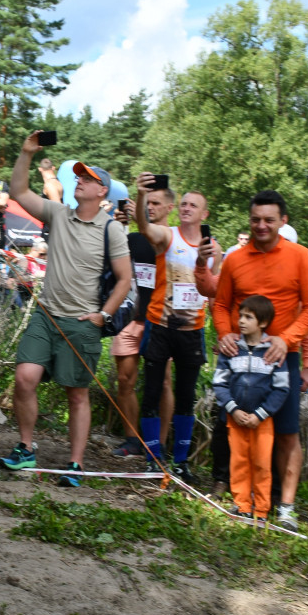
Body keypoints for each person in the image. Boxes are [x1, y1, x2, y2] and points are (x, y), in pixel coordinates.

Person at [0, 133, 131, 487]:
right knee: (25, 377)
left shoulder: (112, 230)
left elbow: (123, 280)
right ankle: (26, 449)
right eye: (78, 177)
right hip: (45, 315)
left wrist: (103, 315)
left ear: (102, 190)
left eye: (87, 179)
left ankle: (74, 464)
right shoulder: (58, 213)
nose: (79, 181)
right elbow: (19, 192)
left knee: (77, 393)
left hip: (82, 322)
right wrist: (26, 153)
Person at [212, 191, 308, 531]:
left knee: (287, 433)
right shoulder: (234, 258)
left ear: (282, 221)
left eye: (269, 220)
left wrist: (288, 342)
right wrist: (225, 332)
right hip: (241, 360)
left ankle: (285, 507)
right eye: (256, 219)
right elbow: (220, 304)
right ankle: (240, 498)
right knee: (237, 428)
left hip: (281, 359)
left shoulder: (301, 256)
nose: (261, 225)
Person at [132, 173, 213, 482]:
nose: (187, 208)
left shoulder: (211, 247)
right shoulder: (168, 236)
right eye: (183, 204)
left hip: (192, 330)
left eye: (194, 205)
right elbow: (143, 227)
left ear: (205, 214)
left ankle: (181, 462)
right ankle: (154, 457)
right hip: (160, 324)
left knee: (185, 395)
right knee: (152, 391)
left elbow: (214, 288)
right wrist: (141, 197)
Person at [212, 296, 290, 519]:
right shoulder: (231, 349)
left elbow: (281, 389)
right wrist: (233, 409)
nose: (241, 321)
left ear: (263, 322)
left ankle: (262, 508)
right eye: (240, 316)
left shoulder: (273, 351)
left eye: (248, 317)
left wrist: (260, 414)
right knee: (238, 461)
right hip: (235, 419)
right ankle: (242, 505)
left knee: (262, 463)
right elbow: (219, 383)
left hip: (262, 421)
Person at [111, 192, 175, 458]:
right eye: (146, 203)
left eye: (155, 203)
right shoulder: (131, 239)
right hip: (131, 317)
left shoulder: (173, 239)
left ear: (169, 208)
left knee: (163, 383)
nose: (149, 208)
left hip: (162, 318)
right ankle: (132, 440)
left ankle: (157, 444)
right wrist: (118, 227)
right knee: (125, 380)